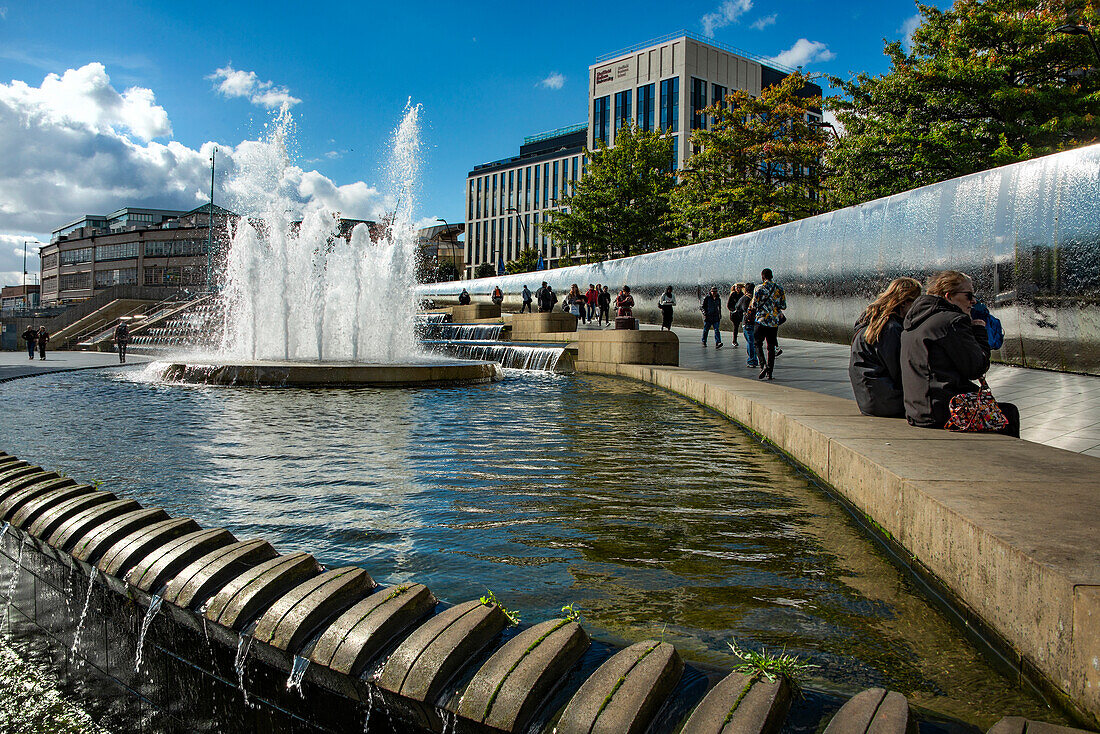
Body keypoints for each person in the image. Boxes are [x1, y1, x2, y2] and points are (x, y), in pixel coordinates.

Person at [901, 270, 1019, 437]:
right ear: (949, 296)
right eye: (968, 296)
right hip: (944, 411)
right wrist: (979, 330)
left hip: (918, 410)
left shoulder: (915, 321)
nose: (973, 301)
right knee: (1008, 414)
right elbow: (976, 368)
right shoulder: (953, 321)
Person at [848, 278, 922, 417]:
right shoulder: (891, 329)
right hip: (888, 402)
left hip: (870, 401)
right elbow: (901, 372)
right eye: (917, 303)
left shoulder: (870, 322)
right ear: (905, 302)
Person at [751, 269, 786, 379]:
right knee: (771, 347)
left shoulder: (759, 288)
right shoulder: (779, 289)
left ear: (762, 277)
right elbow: (783, 306)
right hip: (773, 322)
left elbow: (754, 304)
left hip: (761, 321)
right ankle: (769, 373)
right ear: (772, 276)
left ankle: (763, 365)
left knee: (757, 344)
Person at [738, 283, 757, 367]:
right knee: (755, 342)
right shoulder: (756, 298)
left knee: (750, 342)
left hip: (747, 322)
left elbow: (737, 307)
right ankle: (756, 359)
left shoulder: (744, 298)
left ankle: (752, 360)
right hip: (756, 322)